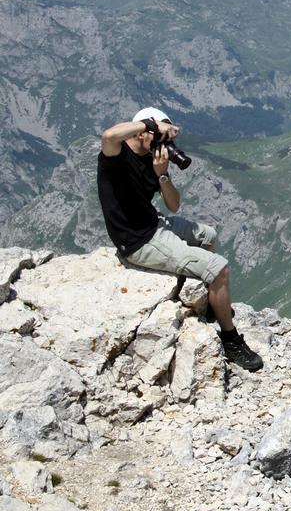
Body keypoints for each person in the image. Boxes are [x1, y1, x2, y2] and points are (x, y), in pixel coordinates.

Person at [97, 107, 263, 371]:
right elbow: (108, 135)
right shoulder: (116, 156)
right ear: (142, 131)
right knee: (219, 268)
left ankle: (209, 304)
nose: (163, 144)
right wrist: (150, 124)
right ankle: (231, 339)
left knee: (208, 235)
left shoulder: (154, 158)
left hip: (154, 223)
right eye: (158, 136)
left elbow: (173, 205)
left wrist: (161, 173)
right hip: (139, 241)